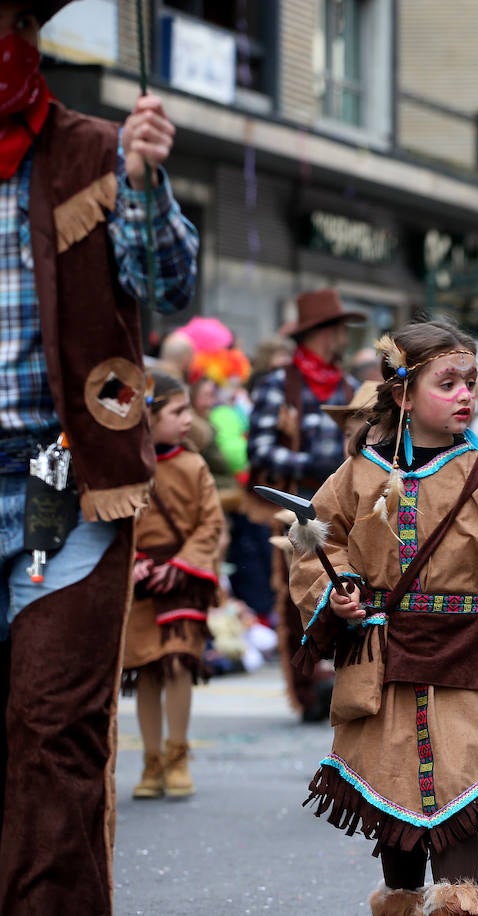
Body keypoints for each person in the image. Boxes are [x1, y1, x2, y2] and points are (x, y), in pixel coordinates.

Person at [0, 5, 199, 911]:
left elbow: (165, 285)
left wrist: (148, 178)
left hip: (60, 480)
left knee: (52, 726)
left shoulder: (96, 154)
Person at [288, 318, 478, 913]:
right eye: (447, 382)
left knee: (459, 800)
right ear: (403, 395)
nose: (466, 393)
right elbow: (314, 542)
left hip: (464, 657)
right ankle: (404, 901)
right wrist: (336, 594)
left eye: (471, 380)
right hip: (379, 658)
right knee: (393, 803)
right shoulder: (360, 471)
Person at [247, 287, 364, 720]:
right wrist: (306, 460)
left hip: (347, 505)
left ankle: (345, 680)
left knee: (349, 585)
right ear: (320, 333)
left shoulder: (350, 385)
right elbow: (258, 451)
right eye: (338, 329)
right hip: (297, 507)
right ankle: (306, 685)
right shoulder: (279, 383)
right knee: (298, 591)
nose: (343, 338)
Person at [124, 372, 224, 801]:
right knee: (147, 668)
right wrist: (133, 561)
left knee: (180, 662)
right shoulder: (126, 468)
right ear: (148, 415)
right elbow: (113, 520)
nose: (188, 419)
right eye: (177, 411)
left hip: (184, 576)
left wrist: (183, 563)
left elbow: (211, 522)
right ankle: (151, 761)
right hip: (143, 580)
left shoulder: (193, 464)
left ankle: (178, 755)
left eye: (188, 410)